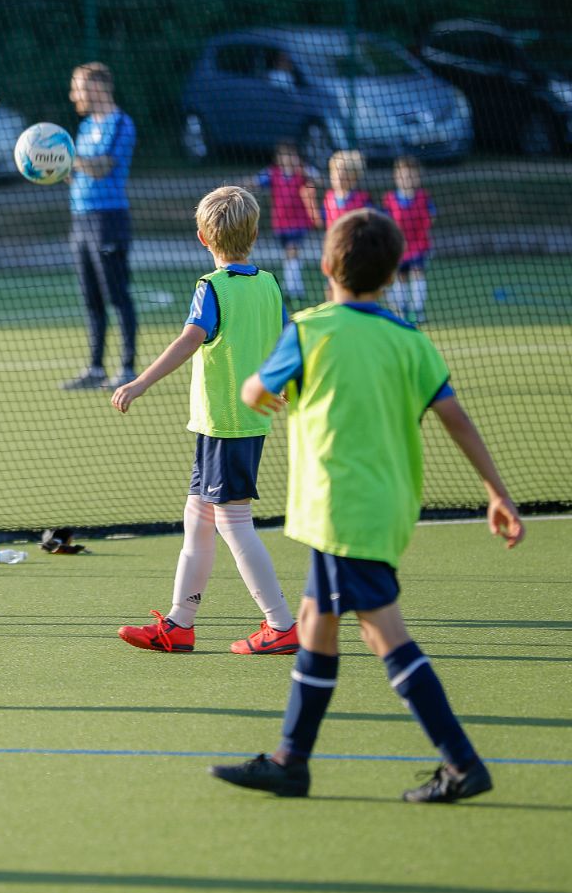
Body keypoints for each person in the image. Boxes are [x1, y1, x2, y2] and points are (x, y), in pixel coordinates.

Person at [210, 208, 523, 803]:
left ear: (326, 265)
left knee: (385, 636)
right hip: (384, 509)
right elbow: (456, 417)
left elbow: (253, 391)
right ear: (394, 272)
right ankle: (290, 761)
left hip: (338, 512)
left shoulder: (310, 329)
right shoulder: (410, 338)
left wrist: (261, 392)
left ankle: (462, 763)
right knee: (314, 627)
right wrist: (497, 492)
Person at [111, 186, 296, 655]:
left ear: (201, 237)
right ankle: (179, 623)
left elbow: (190, 338)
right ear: (254, 233)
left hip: (225, 425)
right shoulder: (271, 284)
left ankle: (281, 624)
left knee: (233, 522)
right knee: (197, 517)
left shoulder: (211, 288)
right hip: (237, 425)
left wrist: (139, 382)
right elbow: (285, 339)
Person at [62, 61, 138, 391]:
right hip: (80, 220)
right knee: (90, 297)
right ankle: (95, 368)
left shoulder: (121, 123)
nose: (72, 94)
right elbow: (75, 173)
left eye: (77, 87)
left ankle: (127, 368)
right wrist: (55, 167)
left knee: (116, 294)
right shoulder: (83, 128)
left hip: (109, 220)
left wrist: (64, 156)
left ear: (96, 88)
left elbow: (102, 167)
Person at [253, 142, 320, 301]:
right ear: (278, 158)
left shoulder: (301, 173)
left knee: (292, 251)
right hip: (280, 223)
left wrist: (303, 168)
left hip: (299, 222)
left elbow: (317, 178)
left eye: (292, 155)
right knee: (290, 256)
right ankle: (295, 287)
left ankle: (293, 289)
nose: (289, 159)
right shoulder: (272, 173)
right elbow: (256, 181)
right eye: (285, 155)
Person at [383, 156, 435, 324]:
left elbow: (431, 217)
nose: (407, 179)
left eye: (411, 176)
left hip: (419, 244)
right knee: (400, 276)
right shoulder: (389, 198)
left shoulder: (424, 197)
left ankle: (417, 310)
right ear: (396, 177)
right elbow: (386, 220)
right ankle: (402, 309)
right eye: (403, 176)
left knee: (417, 272)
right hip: (399, 246)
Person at [322, 150, 372, 227]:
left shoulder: (362, 199)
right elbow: (320, 222)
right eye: (335, 172)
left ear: (354, 177)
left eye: (344, 173)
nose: (338, 176)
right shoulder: (329, 197)